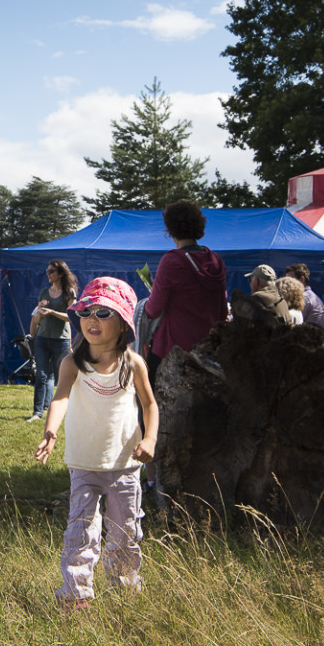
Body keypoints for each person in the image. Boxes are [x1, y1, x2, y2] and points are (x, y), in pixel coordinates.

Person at [34, 276, 158, 607]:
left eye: (104, 313)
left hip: (125, 466)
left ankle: (125, 590)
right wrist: (50, 431)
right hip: (83, 464)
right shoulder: (73, 363)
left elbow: (150, 405)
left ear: (123, 323)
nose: (93, 320)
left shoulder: (133, 363)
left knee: (125, 534)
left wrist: (150, 439)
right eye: (87, 312)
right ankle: (76, 595)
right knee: (80, 532)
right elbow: (59, 398)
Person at [142, 201, 227, 382]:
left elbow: (153, 309)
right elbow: (222, 311)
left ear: (170, 230)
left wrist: (146, 302)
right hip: (208, 348)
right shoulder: (216, 260)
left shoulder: (172, 260)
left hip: (174, 348)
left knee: (150, 401)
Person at [28, 259, 77, 422]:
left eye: (51, 271)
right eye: (47, 271)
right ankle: (37, 412)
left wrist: (52, 312)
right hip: (42, 338)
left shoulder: (69, 292)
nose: (48, 274)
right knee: (41, 375)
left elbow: (72, 317)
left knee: (62, 377)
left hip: (61, 340)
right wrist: (40, 313)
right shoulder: (43, 292)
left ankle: (64, 411)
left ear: (60, 273)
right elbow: (38, 318)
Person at [284, 263, 324, 329]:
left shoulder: (304, 298)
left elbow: (294, 322)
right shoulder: (310, 296)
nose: (286, 285)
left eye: (290, 281)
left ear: (302, 279)